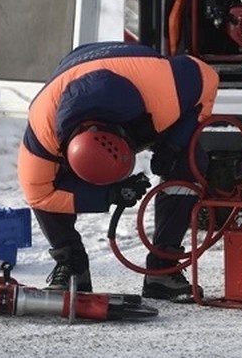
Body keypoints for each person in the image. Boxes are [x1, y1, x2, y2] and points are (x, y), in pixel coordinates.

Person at [17, 41, 219, 303]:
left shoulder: (167, 93)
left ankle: (163, 268)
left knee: (189, 159)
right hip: (75, 74)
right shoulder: (42, 134)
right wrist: (107, 195)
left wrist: (174, 144)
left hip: (140, 85)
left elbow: (208, 79)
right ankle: (72, 266)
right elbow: (39, 195)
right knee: (48, 180)